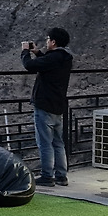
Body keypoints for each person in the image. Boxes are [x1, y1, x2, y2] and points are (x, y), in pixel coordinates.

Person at [21, 27, 74, 187]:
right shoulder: (65, 58)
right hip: (58, 105)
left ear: (53, 42)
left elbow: (29, 66)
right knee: (58, 143)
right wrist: (37, 52)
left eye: (48, 39)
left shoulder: (53, 58)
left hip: (45, 105)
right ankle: (61, 176)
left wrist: (25, 52)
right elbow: (47, 63)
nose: (46, 42)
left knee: (45, 143)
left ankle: (47, 176)